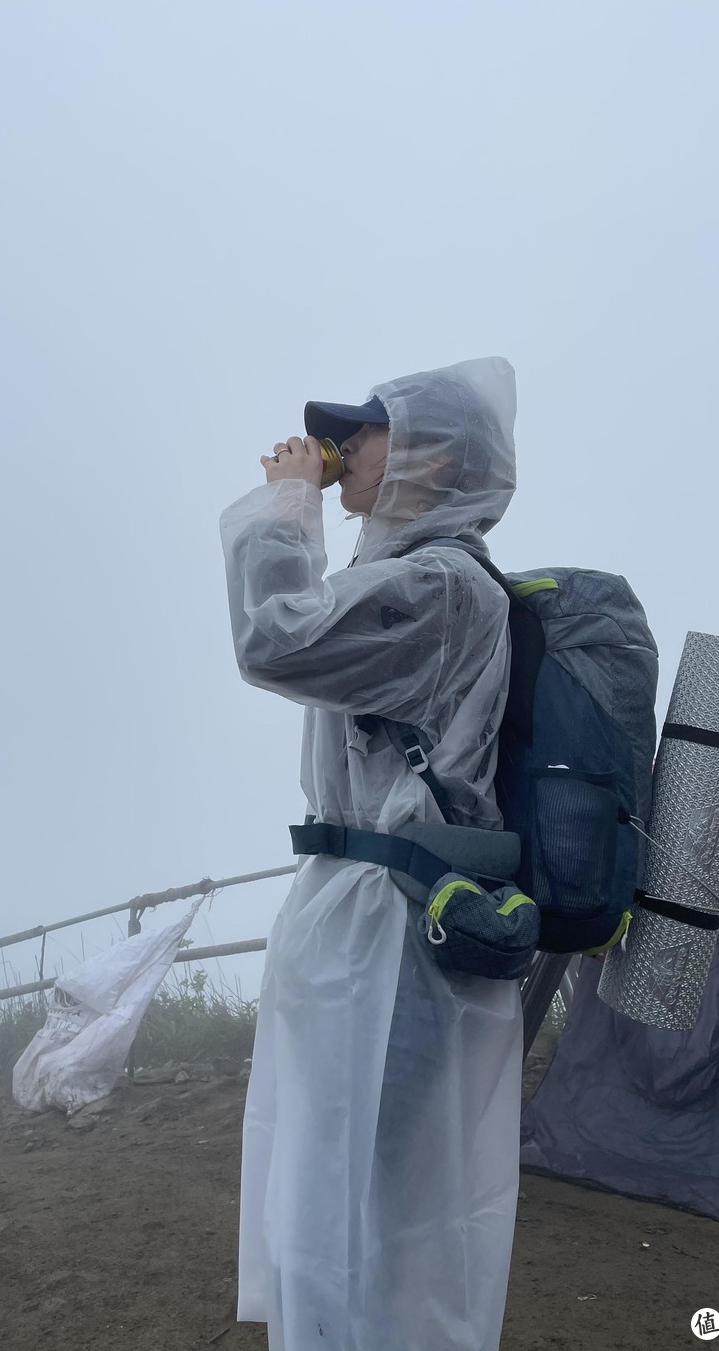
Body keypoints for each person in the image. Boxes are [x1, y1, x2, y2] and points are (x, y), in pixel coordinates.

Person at [219, 357, 522, 1351]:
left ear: (432, 464)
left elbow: (276, 639)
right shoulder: (404, 581)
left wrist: (284, 507)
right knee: (332, 1197)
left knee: (356, 1213)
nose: (341, 447)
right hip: (360, 921)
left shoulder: (442, 591)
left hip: (391, 937)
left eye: (368, 431)